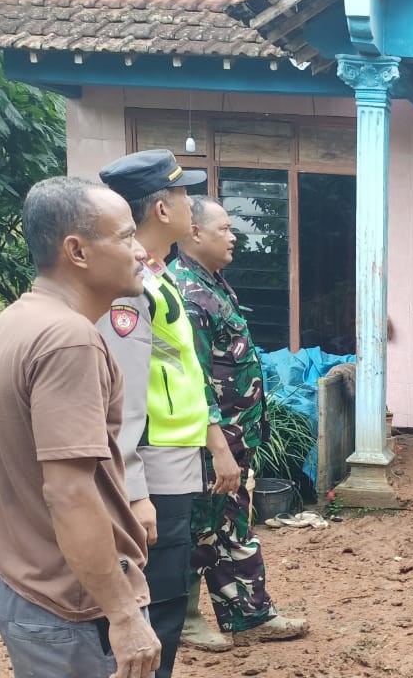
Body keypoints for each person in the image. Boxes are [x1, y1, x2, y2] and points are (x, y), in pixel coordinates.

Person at [0, 176, 161, 677]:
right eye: (124, 236)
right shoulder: (68, 340)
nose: (141, 251)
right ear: (77, 251)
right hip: (73, 607)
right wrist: (123, 615)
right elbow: (69, 492)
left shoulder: (17, 320)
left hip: (28, 588)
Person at [96, 150, 241, 678]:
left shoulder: (156, 275)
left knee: (169, 595)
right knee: (154, 605)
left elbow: (182, 369)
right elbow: (123, 394)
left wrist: (211, 439)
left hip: (174, 457)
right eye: (183, 195)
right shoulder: (132, 286)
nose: (191, 204)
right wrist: (134, 488)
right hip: (151, 463)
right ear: (161, 210)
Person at [173, 195, 309, 649]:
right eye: (225, 228)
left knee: (230, 523)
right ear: (194, 233)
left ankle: (249, 615)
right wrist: (217, 447)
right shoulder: (186, 293)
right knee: (199, 525)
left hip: (234, 436)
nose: (234, 236)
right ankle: (186, 618)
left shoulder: (213, 284)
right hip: (209, 441)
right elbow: (192, 380)